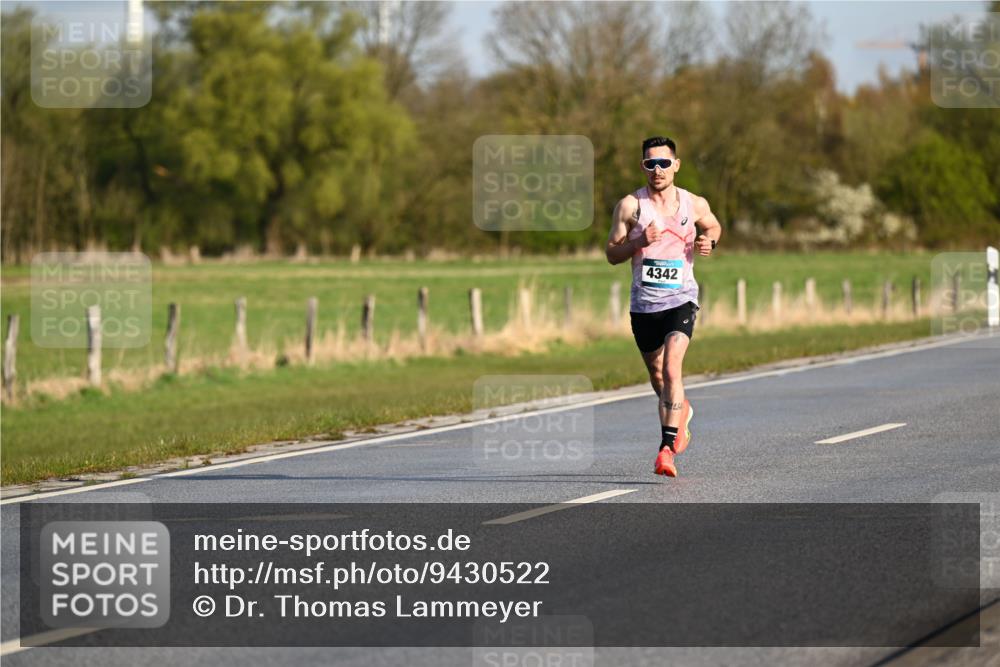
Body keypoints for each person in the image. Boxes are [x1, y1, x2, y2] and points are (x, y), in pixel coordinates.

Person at [605, 136, 722, 477]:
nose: (657, 170)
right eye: (649, 164)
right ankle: (680, 411)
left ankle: (666, 449)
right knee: (658, 377)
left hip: (681, 299)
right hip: (643, 305)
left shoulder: (693, 203)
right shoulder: (630, 206)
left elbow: (713, 225)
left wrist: (709, 240)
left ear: (676, 165)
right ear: (643, 167)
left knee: (672, 369)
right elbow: (612, 254)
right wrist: (638, 242)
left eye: (664, 163)